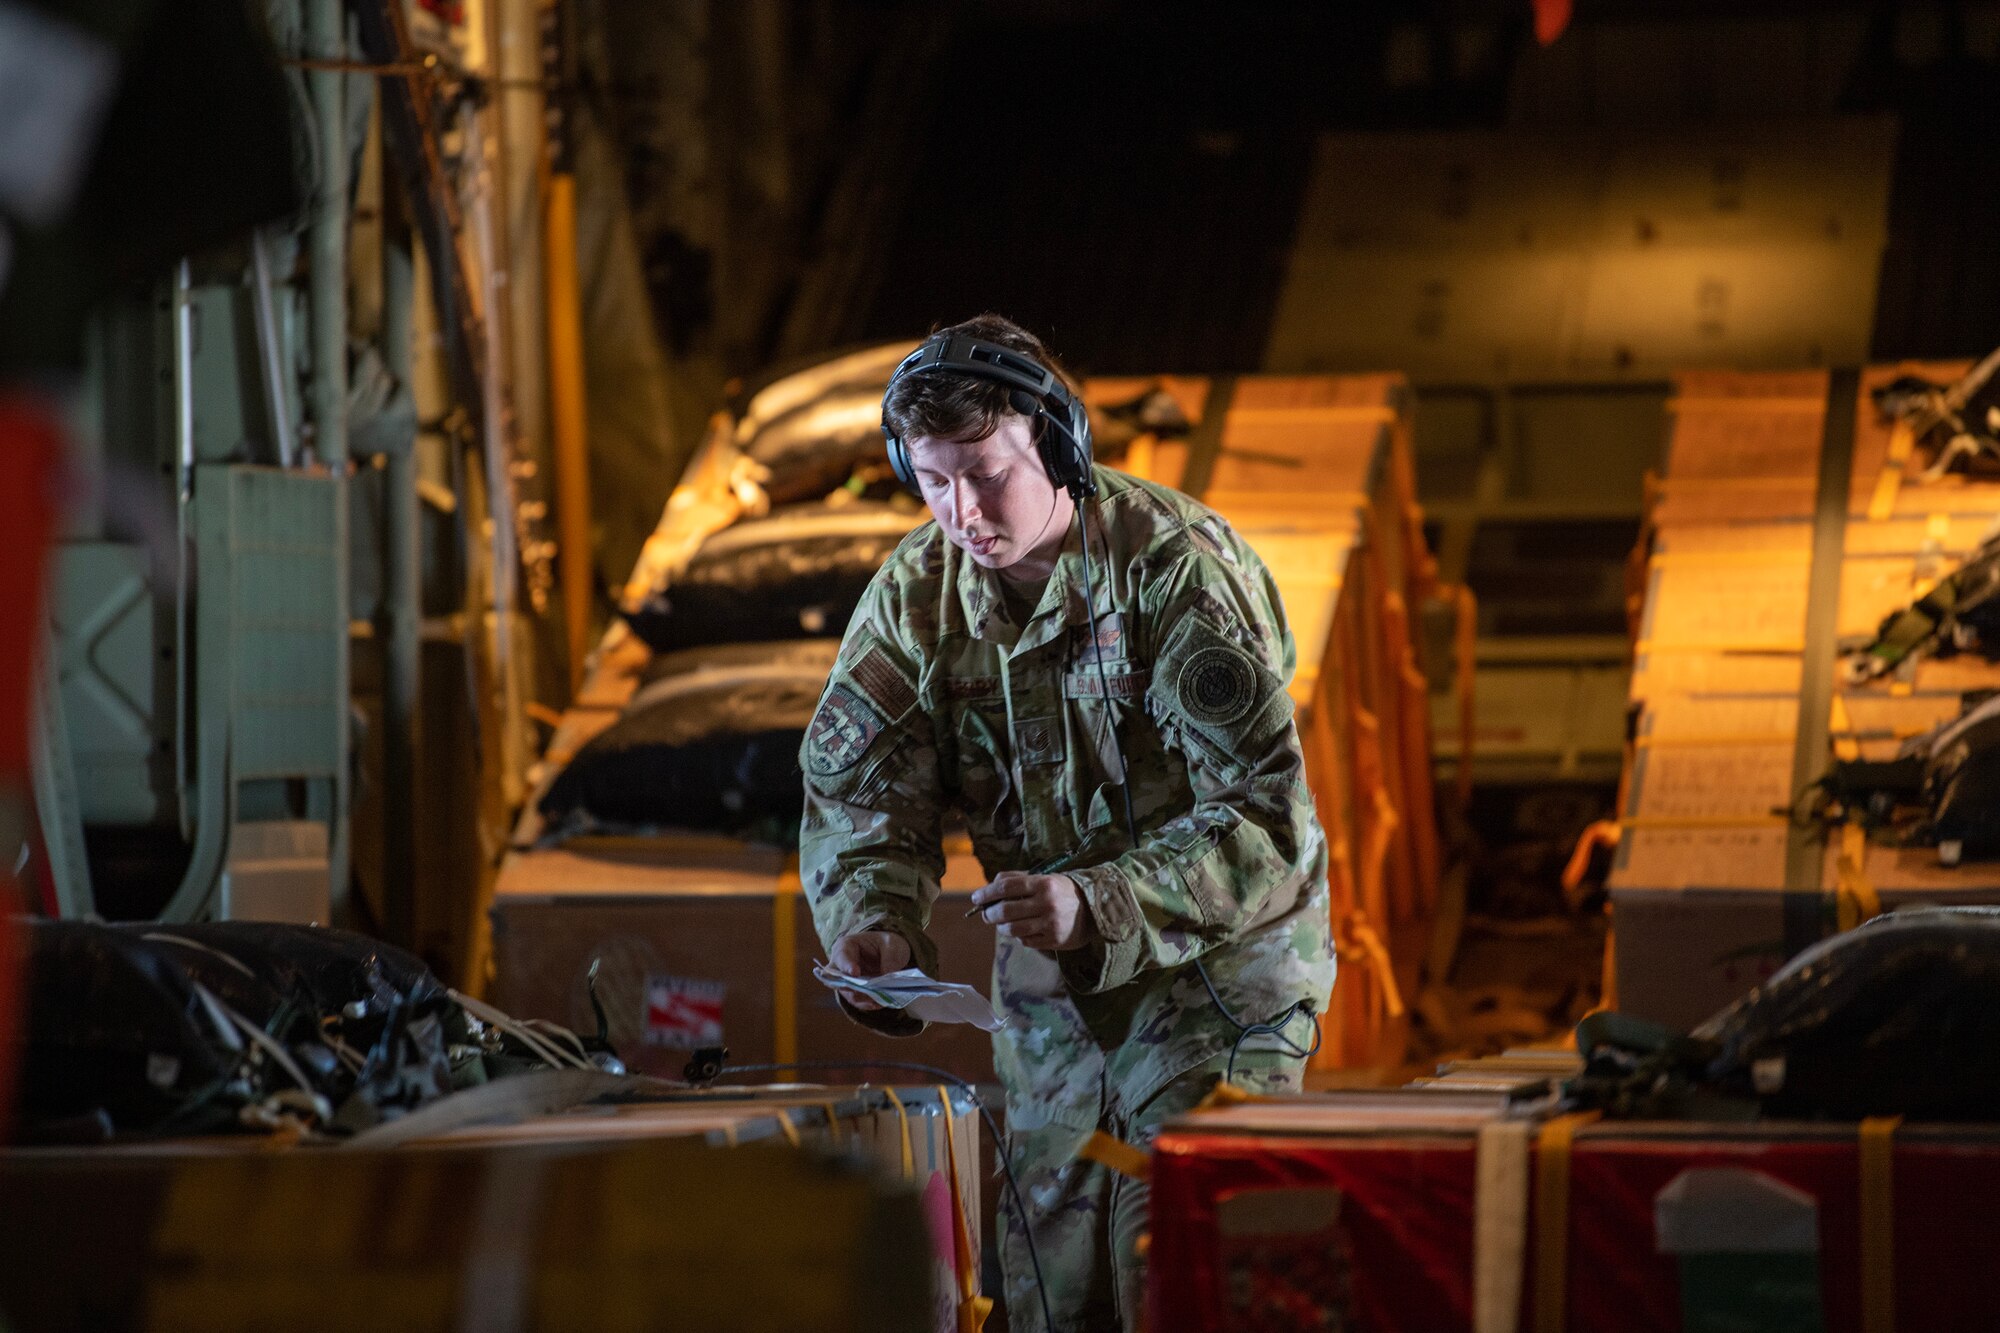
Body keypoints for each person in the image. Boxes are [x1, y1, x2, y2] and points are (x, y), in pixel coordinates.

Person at [798, 313, 1333, 1331]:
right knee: (1057, 1302)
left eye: (987, 473)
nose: (961, 509)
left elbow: (1266, 824)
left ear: (1057, 444)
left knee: (1174, 1270)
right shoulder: (911, 602)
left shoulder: (1174, 573)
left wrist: (1100, 899)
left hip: (1215, 985)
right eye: (931, 480)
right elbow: (865, 800)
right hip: (1055, 1012)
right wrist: (876, 924)